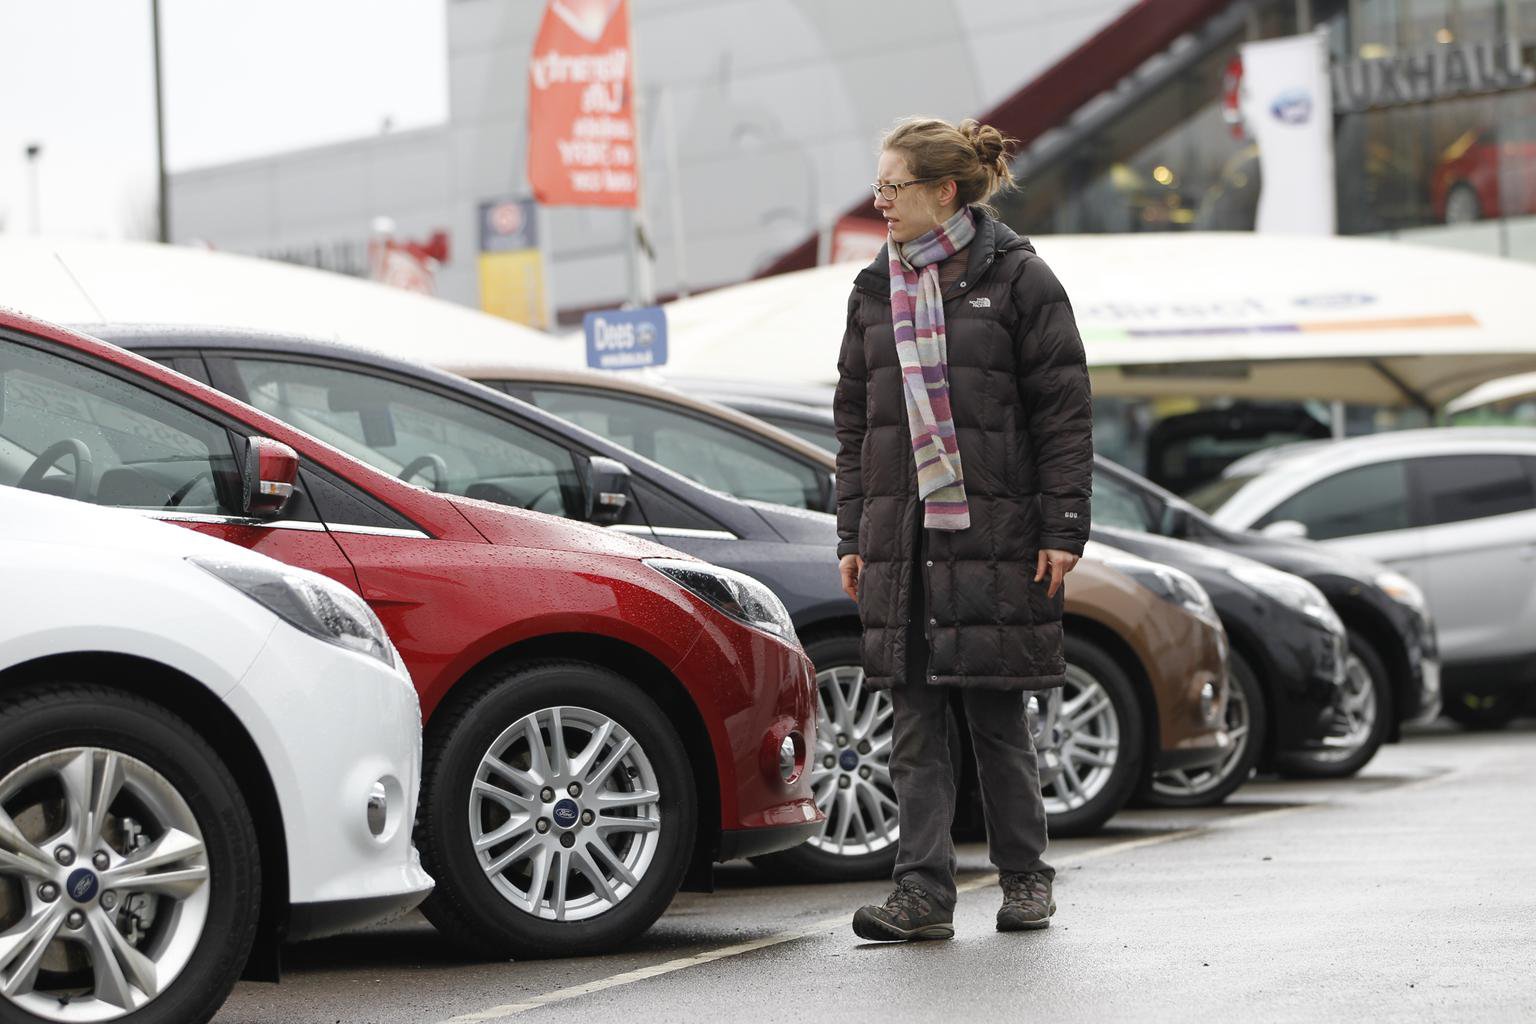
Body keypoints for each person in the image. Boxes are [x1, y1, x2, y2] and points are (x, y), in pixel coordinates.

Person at [833, 116, 1093, 941]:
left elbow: (1063, 414)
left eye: (893, 187)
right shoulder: (874, 288)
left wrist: (1063, 528)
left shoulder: (1018, 279)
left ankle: (1024, 878)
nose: (881, 203)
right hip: (901, 541)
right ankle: (922, 896)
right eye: (877, 187)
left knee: (994, 718)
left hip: (995, 533)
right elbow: (853, 425)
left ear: (944, 191)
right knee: (913, 724)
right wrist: (853, 535)